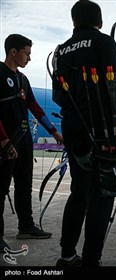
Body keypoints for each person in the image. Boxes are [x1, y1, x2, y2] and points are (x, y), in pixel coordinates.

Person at [51, 0, 116, 266]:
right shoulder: (103, 42)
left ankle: (66, 255)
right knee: (103, 193)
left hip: (73, 129)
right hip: (102, 130)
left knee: (79, 191)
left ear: (74, 21)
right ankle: (91, 260)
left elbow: (57, 96)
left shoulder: (60, 50)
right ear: (99, 21)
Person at [0, 34, 63, 253]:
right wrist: (3, 140)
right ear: (13, 52)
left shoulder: (23, 79)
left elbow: (34, 107)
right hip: (5, 143)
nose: (29, 58)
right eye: (26, 53)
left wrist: (54, 132)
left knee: (24, 185)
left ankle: (26, 226)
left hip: (24, 140)